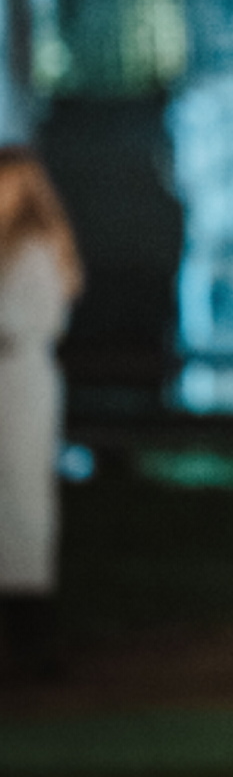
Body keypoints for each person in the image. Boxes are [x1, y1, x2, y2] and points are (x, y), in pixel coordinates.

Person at [0, 149, 83, 680]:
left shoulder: (31, 248)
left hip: (19, 378)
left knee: (21, 500)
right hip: (16, 377)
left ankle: (31, 634)